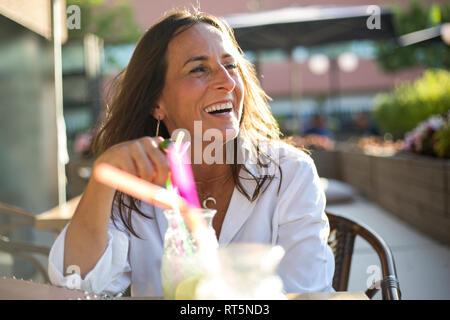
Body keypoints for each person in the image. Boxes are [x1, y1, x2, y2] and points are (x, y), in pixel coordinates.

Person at [48, 9, 335, 297]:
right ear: (156, 103)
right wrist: (102, 179)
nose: (228, 82)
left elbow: (308, 293)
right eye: (199, 69)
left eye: (230, 65)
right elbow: (77, 283)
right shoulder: (135, 183)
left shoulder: (290, 174)